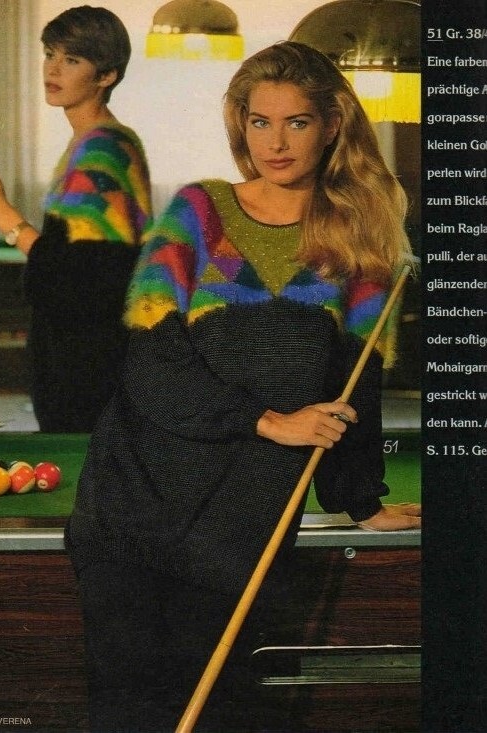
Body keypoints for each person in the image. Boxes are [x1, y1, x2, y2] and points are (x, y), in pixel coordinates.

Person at [65, 41, 421, 731]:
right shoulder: (198, 212)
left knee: (225, 714)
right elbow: (149, 361)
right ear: (241, 125)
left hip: (243, 521)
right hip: (130, 502)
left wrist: (360, 500)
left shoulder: (358, 240)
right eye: (260, 122)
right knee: (129, 710)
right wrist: (268, 420)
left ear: (331, 125)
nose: (275, 143)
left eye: (296, 122)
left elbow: (356, 382)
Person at [0, 5, 152, 432]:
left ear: (107, 75)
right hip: (76, 358)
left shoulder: (103, 151)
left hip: (90, 364)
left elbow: (81, 280)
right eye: (50, 54)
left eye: (72, 59)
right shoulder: (89, 143)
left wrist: (2, 212)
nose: (52, 69)